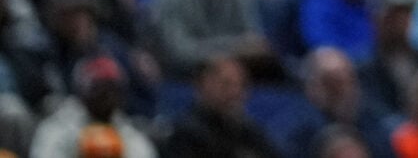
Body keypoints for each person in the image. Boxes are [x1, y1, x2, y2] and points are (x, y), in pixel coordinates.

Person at [28, 56, 157, 158]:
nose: (107, 96)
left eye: (112, 88)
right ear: (83, 91)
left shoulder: (128, 134)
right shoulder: (59, 126)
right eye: (100, 88)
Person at [163, 55, 283, 158]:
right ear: (202, 85)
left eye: (241, 85)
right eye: (226, 84)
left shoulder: (247, 129)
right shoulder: (187, 133)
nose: (235, 92)